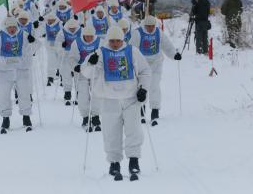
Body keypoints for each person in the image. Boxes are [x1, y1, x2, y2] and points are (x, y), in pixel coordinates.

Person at [81, 26, 151, 181]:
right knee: (111, 133)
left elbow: (145, 71)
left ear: (123, 39)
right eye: (112, 41)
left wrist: (143, 89)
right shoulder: (100, 53)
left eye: (118, 41)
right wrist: (90, 63)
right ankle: (114, 163)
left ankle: (134, 161)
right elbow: (86, 73)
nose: (115, 44)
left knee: (134, 131)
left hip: (131, 98)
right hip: (109, 99)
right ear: (107, 40)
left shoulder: (132, 51)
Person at [0, 16, 37, 133]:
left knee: (24, 94)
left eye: (13, 27)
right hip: (4, 71)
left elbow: (33, 49)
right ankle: (5, 118)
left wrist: (33, 42)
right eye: (9, 27)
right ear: (5, 27)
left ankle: (26, 117)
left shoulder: (23, 35)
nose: (11, 29)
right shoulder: (1, 35)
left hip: (21, 70)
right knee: (3, 95)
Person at [129, 15, 181, 126]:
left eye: (153, 26)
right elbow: (132, 49)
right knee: (142, 87)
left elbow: (166, 45)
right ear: (145, 25)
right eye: (149, 26)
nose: (151, 28)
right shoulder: (137, 33)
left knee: (154, 86)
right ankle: (141, 111)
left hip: (156, 63)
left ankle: (155, 111)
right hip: (142, 65)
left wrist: (174, 54)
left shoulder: (158, 33)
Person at [70, 25, 103, 132]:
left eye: (91, 36)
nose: (89, 38)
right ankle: (85, 117)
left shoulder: (99, 42)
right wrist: (75, 66)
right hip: (82, 72)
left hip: (95, 72)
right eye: (87, 36)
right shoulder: (77, 42)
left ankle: (96, 116)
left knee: (96, 93)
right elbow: (72, 58)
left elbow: (104, 56)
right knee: (83, 95)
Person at [56, 19, 82, 105]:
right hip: (66, 56)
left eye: (73, 28)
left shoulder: (80, 31)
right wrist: (61, 46)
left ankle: (79, 93)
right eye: (70, 28)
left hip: (76, 56)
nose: (72, 30)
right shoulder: (62, 32)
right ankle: (67, 93)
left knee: (78, 75)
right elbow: (58, 43)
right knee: (66, 74)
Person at [41, 11, 62, 86]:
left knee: (61, 61)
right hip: (50, 47)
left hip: (59, 46)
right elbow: (39, 30)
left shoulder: (60, 24)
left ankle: (62, 76)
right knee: (51, 62)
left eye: (51, 20)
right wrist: (38, 22)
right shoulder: (46, 25)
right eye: (48, 20)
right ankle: (50, 77)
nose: (50, 21)